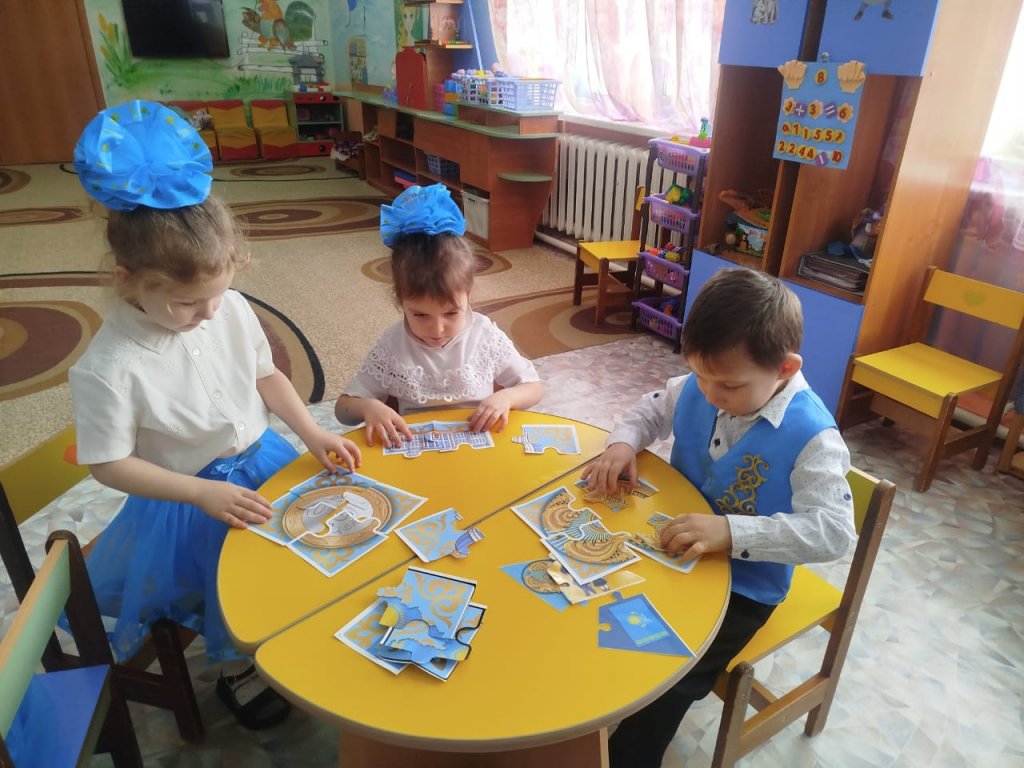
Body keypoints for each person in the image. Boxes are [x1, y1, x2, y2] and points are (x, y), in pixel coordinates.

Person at [68, 100, 362, 731]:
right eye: (186, 304)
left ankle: (288, 628)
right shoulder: (107, 367)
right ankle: (236, 669)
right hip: (188, 498)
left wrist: (312, 431)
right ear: (128, 281)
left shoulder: (227, 307)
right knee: (223, 584)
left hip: (263, 461)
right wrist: (200, 492)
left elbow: (267, 376)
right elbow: (108, 463)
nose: (207, 314)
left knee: (292, 557)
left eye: (217, 295)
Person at [582, 268, 856, 767]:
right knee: (591, 600)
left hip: (746, 588)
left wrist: (731, 532)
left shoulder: (814, 437)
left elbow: (834, 533)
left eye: (727, 384)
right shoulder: (702, 384)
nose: (709, 393)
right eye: (700, 375)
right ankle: (592, 705)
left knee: (673, 673)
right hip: (675, 550)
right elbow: (650, 409)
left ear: (786, 368)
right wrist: (623, 442)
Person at [335, 184, 543, 445]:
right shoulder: (392, 344)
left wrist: (507, 397)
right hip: (417, 451)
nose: (437, 329)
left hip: (479, 448)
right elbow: (342, 409)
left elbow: (534, 388)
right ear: (400, 302)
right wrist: (368, 407)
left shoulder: (485, 335)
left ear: (469, 294)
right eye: (420, 315)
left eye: (451, 313)